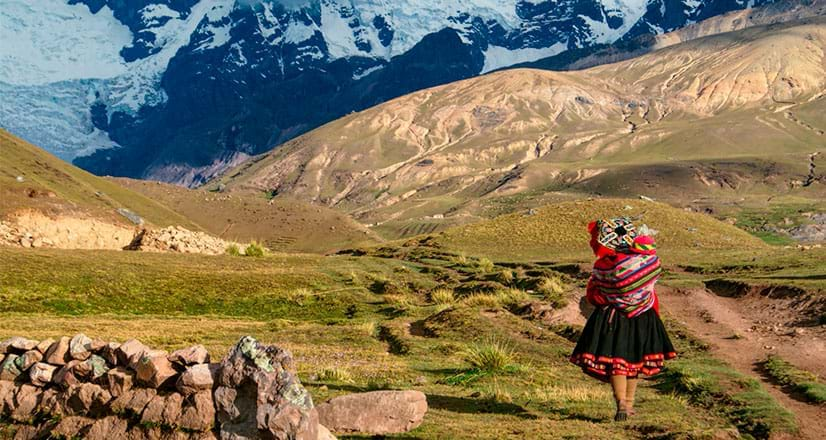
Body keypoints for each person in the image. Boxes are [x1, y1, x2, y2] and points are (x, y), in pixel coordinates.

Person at [570, 217, 677, 421]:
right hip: (643, 316)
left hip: (612, 318)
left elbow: (594, 295)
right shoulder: (647, 261)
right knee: (634, 361)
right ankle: (629, 403)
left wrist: (611, 297)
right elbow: (652, 285)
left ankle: (620, 403)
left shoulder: (604, 265)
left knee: (617, 362)